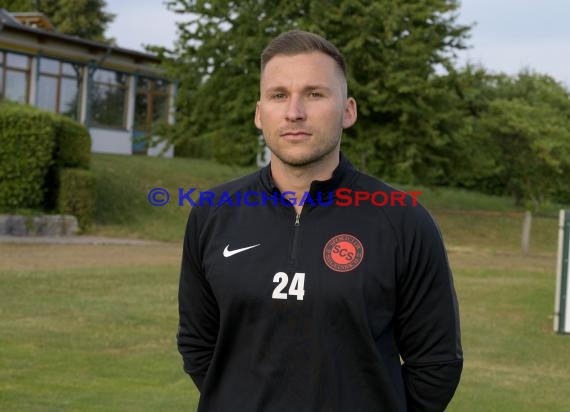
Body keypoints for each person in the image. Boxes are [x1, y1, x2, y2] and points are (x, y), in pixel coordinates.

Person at [177, 30, 463, 412]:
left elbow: (436, 363)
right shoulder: (213, 213)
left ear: (348, 110)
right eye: (279, 95)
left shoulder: (403, 220)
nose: (294, 111)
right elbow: (197, 344)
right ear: (260, 113)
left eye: (315, 94)